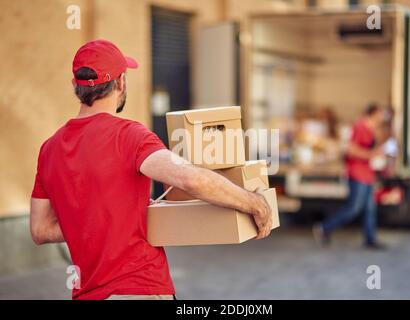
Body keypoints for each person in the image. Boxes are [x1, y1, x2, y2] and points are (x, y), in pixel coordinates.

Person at [29, 40, 272, 300]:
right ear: (121, 82)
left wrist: (98, 221)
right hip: (138, 288)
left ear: (75, 85)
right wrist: (255, 204)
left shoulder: (49, 149)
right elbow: (189, 177)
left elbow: (40, 230)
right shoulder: (129, 136)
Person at [313, 104, 386, 250]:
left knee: (370, 208)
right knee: (354, 208)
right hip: (357, 174)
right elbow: (351, 150)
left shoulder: (371, 129)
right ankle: (324, 228)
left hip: (368, 174)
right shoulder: (359, 127)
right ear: (372, 114)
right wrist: (371, 155)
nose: (381, 119)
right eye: (379, 115)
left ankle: (370, 239)